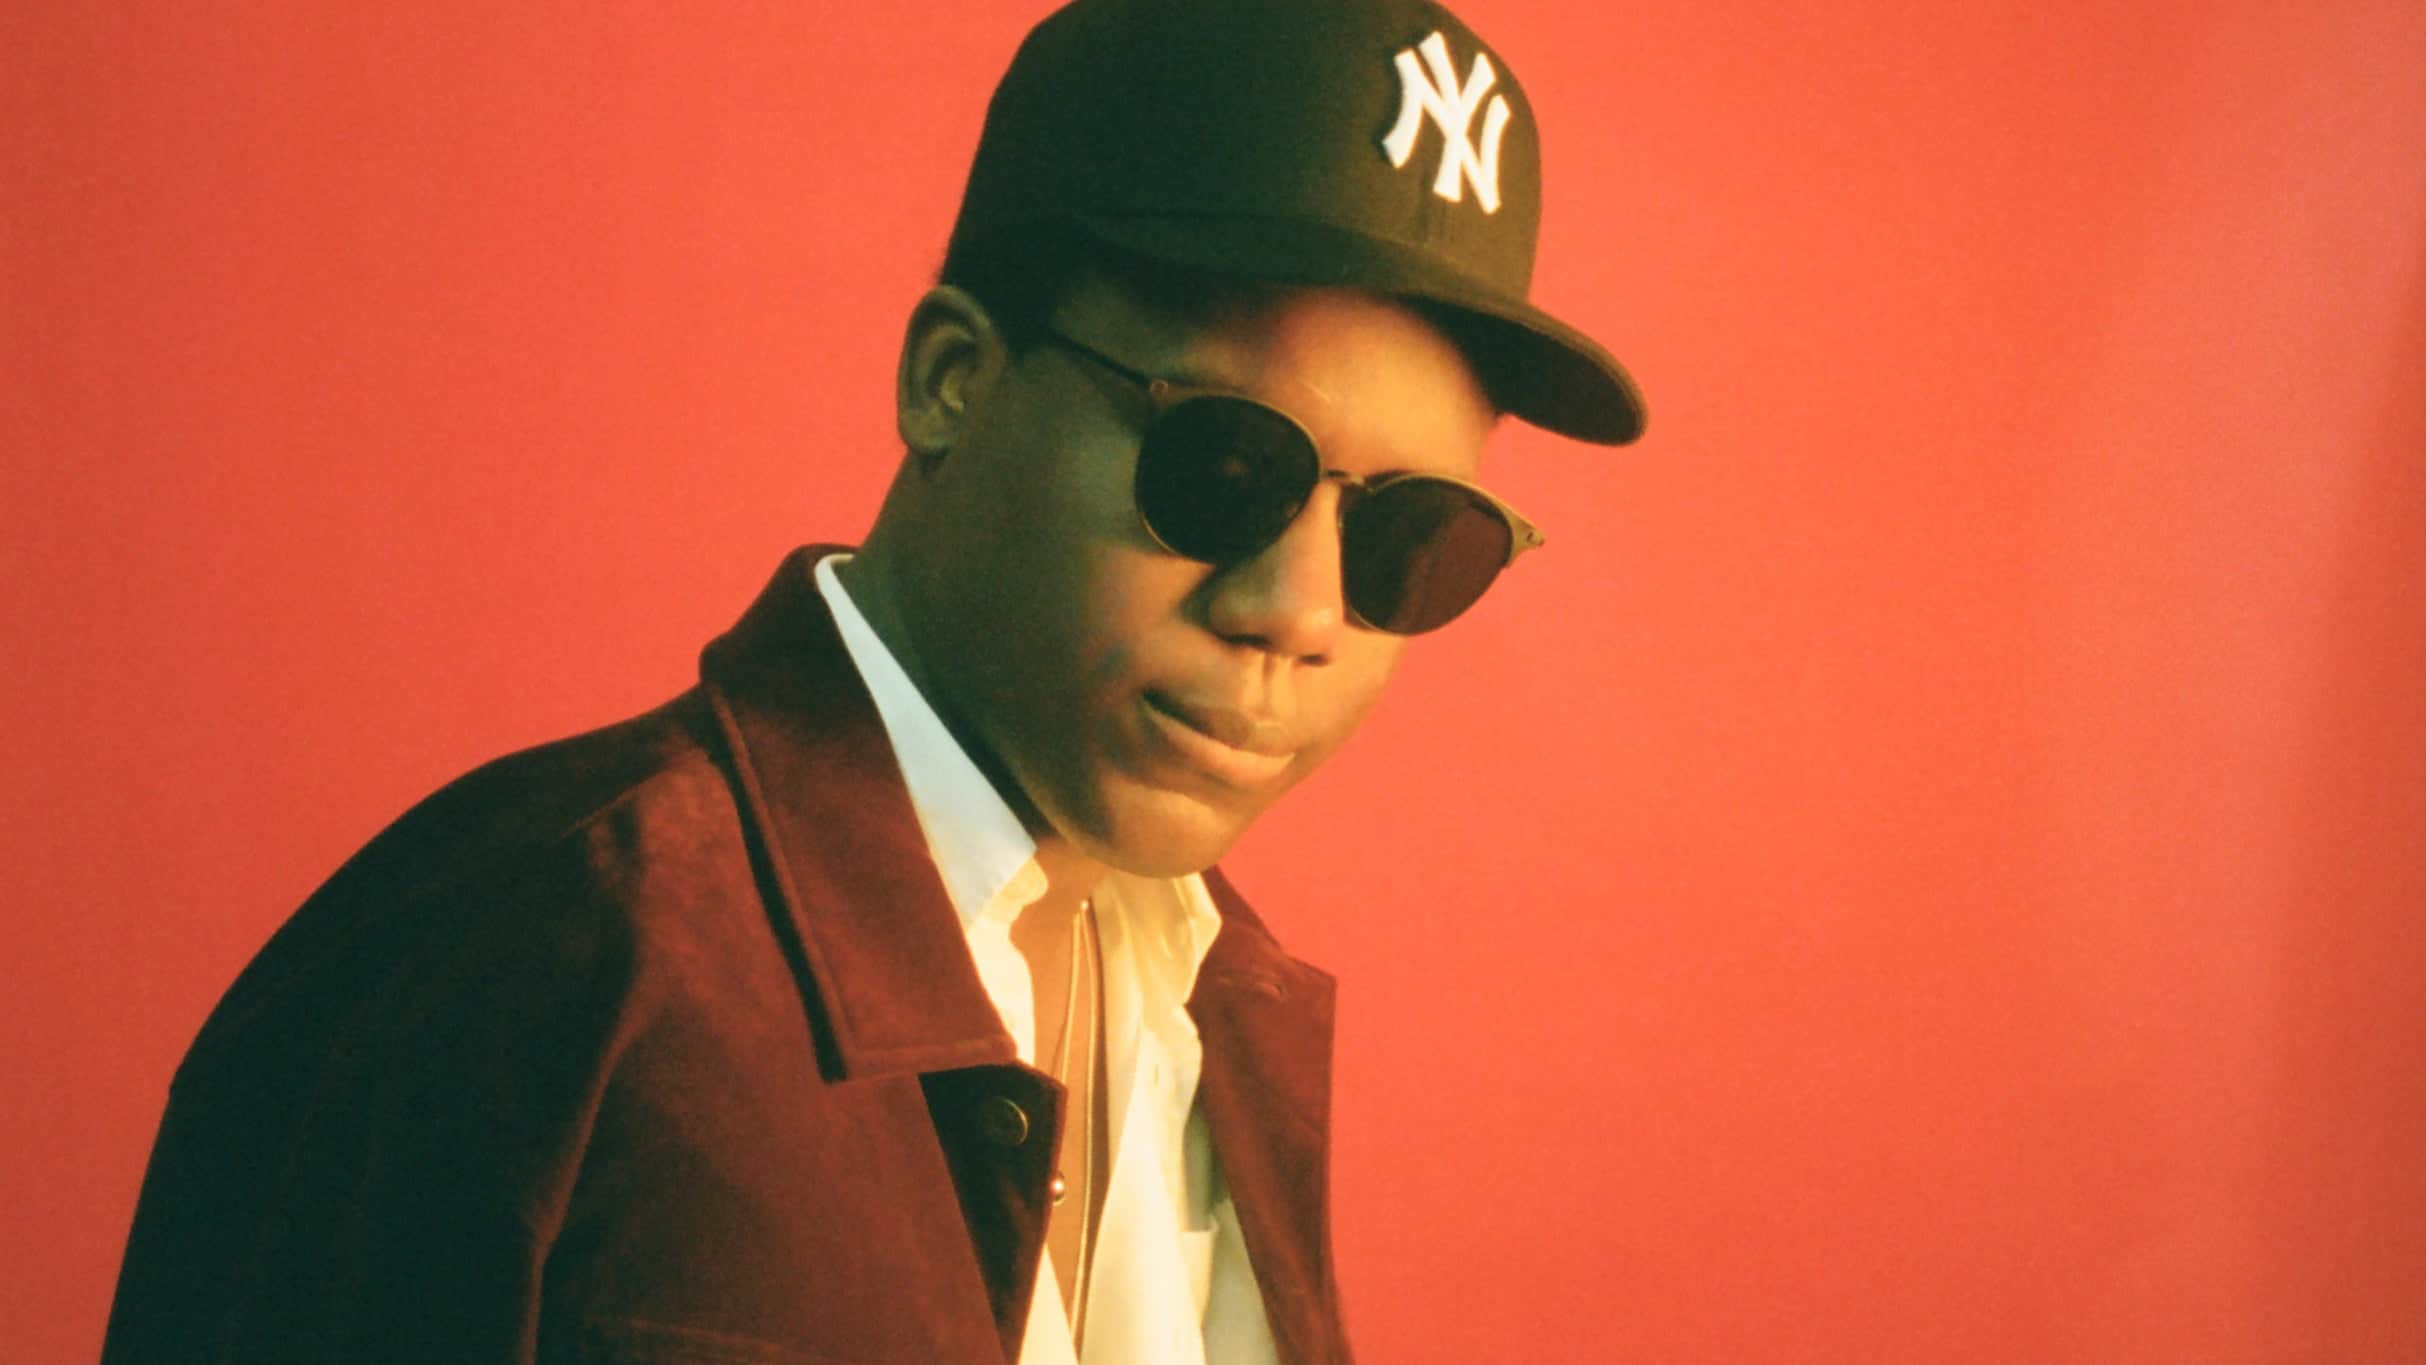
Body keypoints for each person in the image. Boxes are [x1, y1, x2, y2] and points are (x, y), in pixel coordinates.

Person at [101, 0, 1645, 1360]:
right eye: (1224, 466)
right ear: (952, 379)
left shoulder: (1217, 1008)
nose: (1297, 611)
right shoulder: (534, 947)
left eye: (1412, 540)